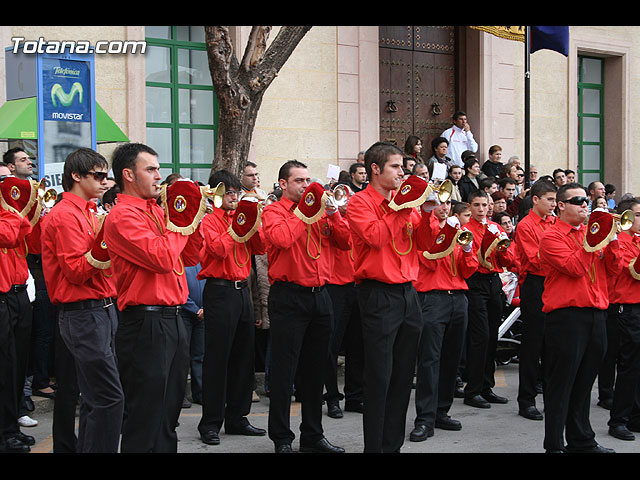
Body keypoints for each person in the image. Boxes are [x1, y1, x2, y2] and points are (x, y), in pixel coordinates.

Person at [103, 142, 203, 453]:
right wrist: (181, 223)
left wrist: (192, 216)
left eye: (158, 169)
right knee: (145, 416)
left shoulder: (157, 211)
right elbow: (161, 256)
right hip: (145, 322)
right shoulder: (122, 216)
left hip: (172, 320)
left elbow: (191, 256)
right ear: (128, 174)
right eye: (151, 169)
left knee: (168, 413)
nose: (158, 176)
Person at [346, 141, 432, 453]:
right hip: (378, 295)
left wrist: (431, 212)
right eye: (395, 167)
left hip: (409, 294)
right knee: (380, 377)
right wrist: (403, 208)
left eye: (402, 166)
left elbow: (424, 243)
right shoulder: (360, 203)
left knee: (401, 378)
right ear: (375, 169)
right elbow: (376, 237)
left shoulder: (404, 203)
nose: (402, 172)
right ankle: (375, 447)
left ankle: (392, 446)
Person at [262, 160, 350, 454]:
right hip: (288, 296)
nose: (305, 185)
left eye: (307, 179)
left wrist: (334, 213)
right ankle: (282, 439)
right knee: (285, 372)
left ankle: (313, 435)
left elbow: (346, 242)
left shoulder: (322, 211)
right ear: (283, 184)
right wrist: (305, 211)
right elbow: (281, 239)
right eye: (298, 180)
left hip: (321, 294)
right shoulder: (275, 211)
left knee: (317, 370)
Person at [40, 148, 124, 453]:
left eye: (106, 176)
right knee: (108, 398)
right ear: (76, 176)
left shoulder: (89, 211)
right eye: (99, 176)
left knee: (95, 399)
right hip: (83, 313)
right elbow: (76, 270)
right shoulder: (64, 216)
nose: (105, 182)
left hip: (101, 310)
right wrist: (107, 241)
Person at [539, 183, 623, 453]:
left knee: (585, 382)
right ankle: (554, 444)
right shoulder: (551, 236)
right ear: (561, 205)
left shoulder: (591, 234)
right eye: (578, 201)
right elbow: (574, 268)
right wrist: (594, 242)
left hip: (597, 313)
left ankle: (581, 440)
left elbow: (615, 269)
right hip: (567, 317)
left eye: (587, 200)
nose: (585, 205)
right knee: (561, 384)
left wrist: (612, 240)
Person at [197, 169, 267, 446]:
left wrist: (254, 221)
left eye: (236, 192)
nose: (234, 197)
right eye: (228, 192)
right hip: (219, 291)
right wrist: (237, 226)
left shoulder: (240, 218)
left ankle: (238, 417)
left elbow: (260, 247)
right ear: (215, 194)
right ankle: (211, 422)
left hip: (242, 292)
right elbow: (218, 250)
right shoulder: (209, 222)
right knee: (217, 359)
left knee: (243, 358)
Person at [409, 198, 478, 442]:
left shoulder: (459, 231)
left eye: (448, 203)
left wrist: (469, 251)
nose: (444, 207)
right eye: (439, 203)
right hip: (432, 298)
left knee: (452, 358)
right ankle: (425, 419)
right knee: (429, 360)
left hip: (458, 297)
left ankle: (441, 411)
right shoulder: (425, 231)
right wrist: (446, 235)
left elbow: (468, 269)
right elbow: (429, 259)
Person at [461, 190, 516, 409]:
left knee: (492, 336)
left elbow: (508, 259)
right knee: (479, 337)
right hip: (476, 283)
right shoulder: (466, 230)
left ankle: (486, 387)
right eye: (477, 205)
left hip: (494, 282)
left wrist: (501, 244)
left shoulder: (496, 227)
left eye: (485, 205)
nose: (482, 209)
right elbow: (471, 261)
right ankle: (472, 390)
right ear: (469, 206)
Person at [513, 180, 557, 422]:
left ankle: (551, 395)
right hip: (535, 284)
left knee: (552, 343)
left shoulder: (554, 222)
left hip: (553, 282)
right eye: (549, 200)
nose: (553, 205)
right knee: (532, 344)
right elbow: (536, 259)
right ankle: (526, 400)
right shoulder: (526, 225)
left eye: (554, 200)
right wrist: (559, 255)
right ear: (536, 199)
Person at [0, 174, 34, 453]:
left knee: (18, 365)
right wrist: (16, 209)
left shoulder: (10, 213)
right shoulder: (8, 214)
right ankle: (4, 432)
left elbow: (29, 240)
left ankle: (11, 427)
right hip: (1, 298)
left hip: (19, 292)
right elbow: (9, 234)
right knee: (5, 366)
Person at [324, 200, 364, 419]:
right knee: (331, 346)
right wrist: (334, 214)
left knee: (358, 345)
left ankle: (355, 397)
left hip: (359, 286)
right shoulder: (330, 220)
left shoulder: (358, 221)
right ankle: (332, 397)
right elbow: (344, 240)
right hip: (336, 287)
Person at [606, 197, 640, 440]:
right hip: (628, 308)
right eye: (638, 214)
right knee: (629, 367)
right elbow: (634, 270)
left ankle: (636, 417)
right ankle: (619, 420)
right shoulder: (620, 240)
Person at [182, 262, 205, 406]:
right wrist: (194, 309)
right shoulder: (181, 259)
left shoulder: (202, 260)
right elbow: (179, 288)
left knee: (200, 356)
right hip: (185, 313)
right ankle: (180, 395)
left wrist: (204, 307)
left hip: (202, 314)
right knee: (182, 357)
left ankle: (200, 393)